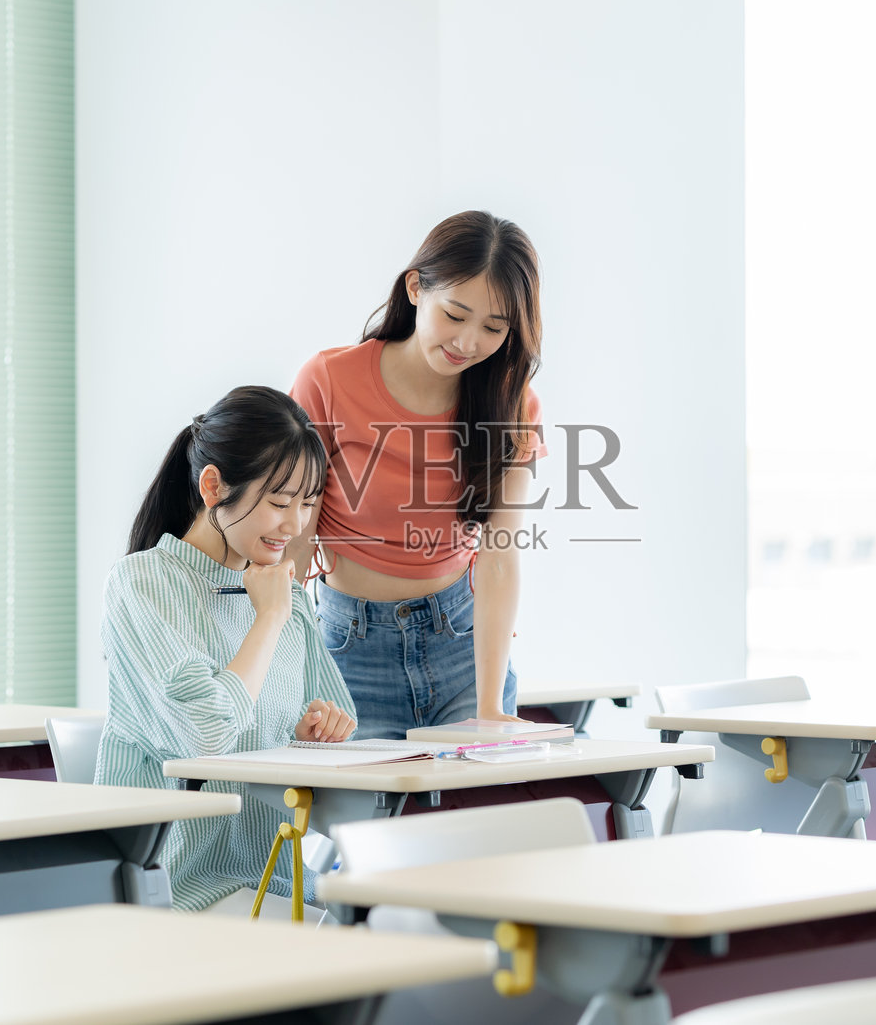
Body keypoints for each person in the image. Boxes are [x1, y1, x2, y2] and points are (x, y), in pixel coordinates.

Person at [94, 385, 356, 914]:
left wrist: (314, 733)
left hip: (283, 886)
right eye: (280, 502)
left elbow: (343, 723)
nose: (296, 524)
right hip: (182, 890)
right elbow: (206, 735)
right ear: (213, 486)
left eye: (307, 503)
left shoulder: (285, 597)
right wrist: (270, 618)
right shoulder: (142, 583)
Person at [290, 210, 544, 739]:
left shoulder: (511, 405)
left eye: (494, 328)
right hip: (346, 654)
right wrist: (291, 675)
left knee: (478, 817)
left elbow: (500, 556)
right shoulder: (329, 381)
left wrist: (491, 705)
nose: (469, 342)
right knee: (362, 820)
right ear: (415, 288)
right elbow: (294, 541)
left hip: (462, 648)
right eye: (455, 314)